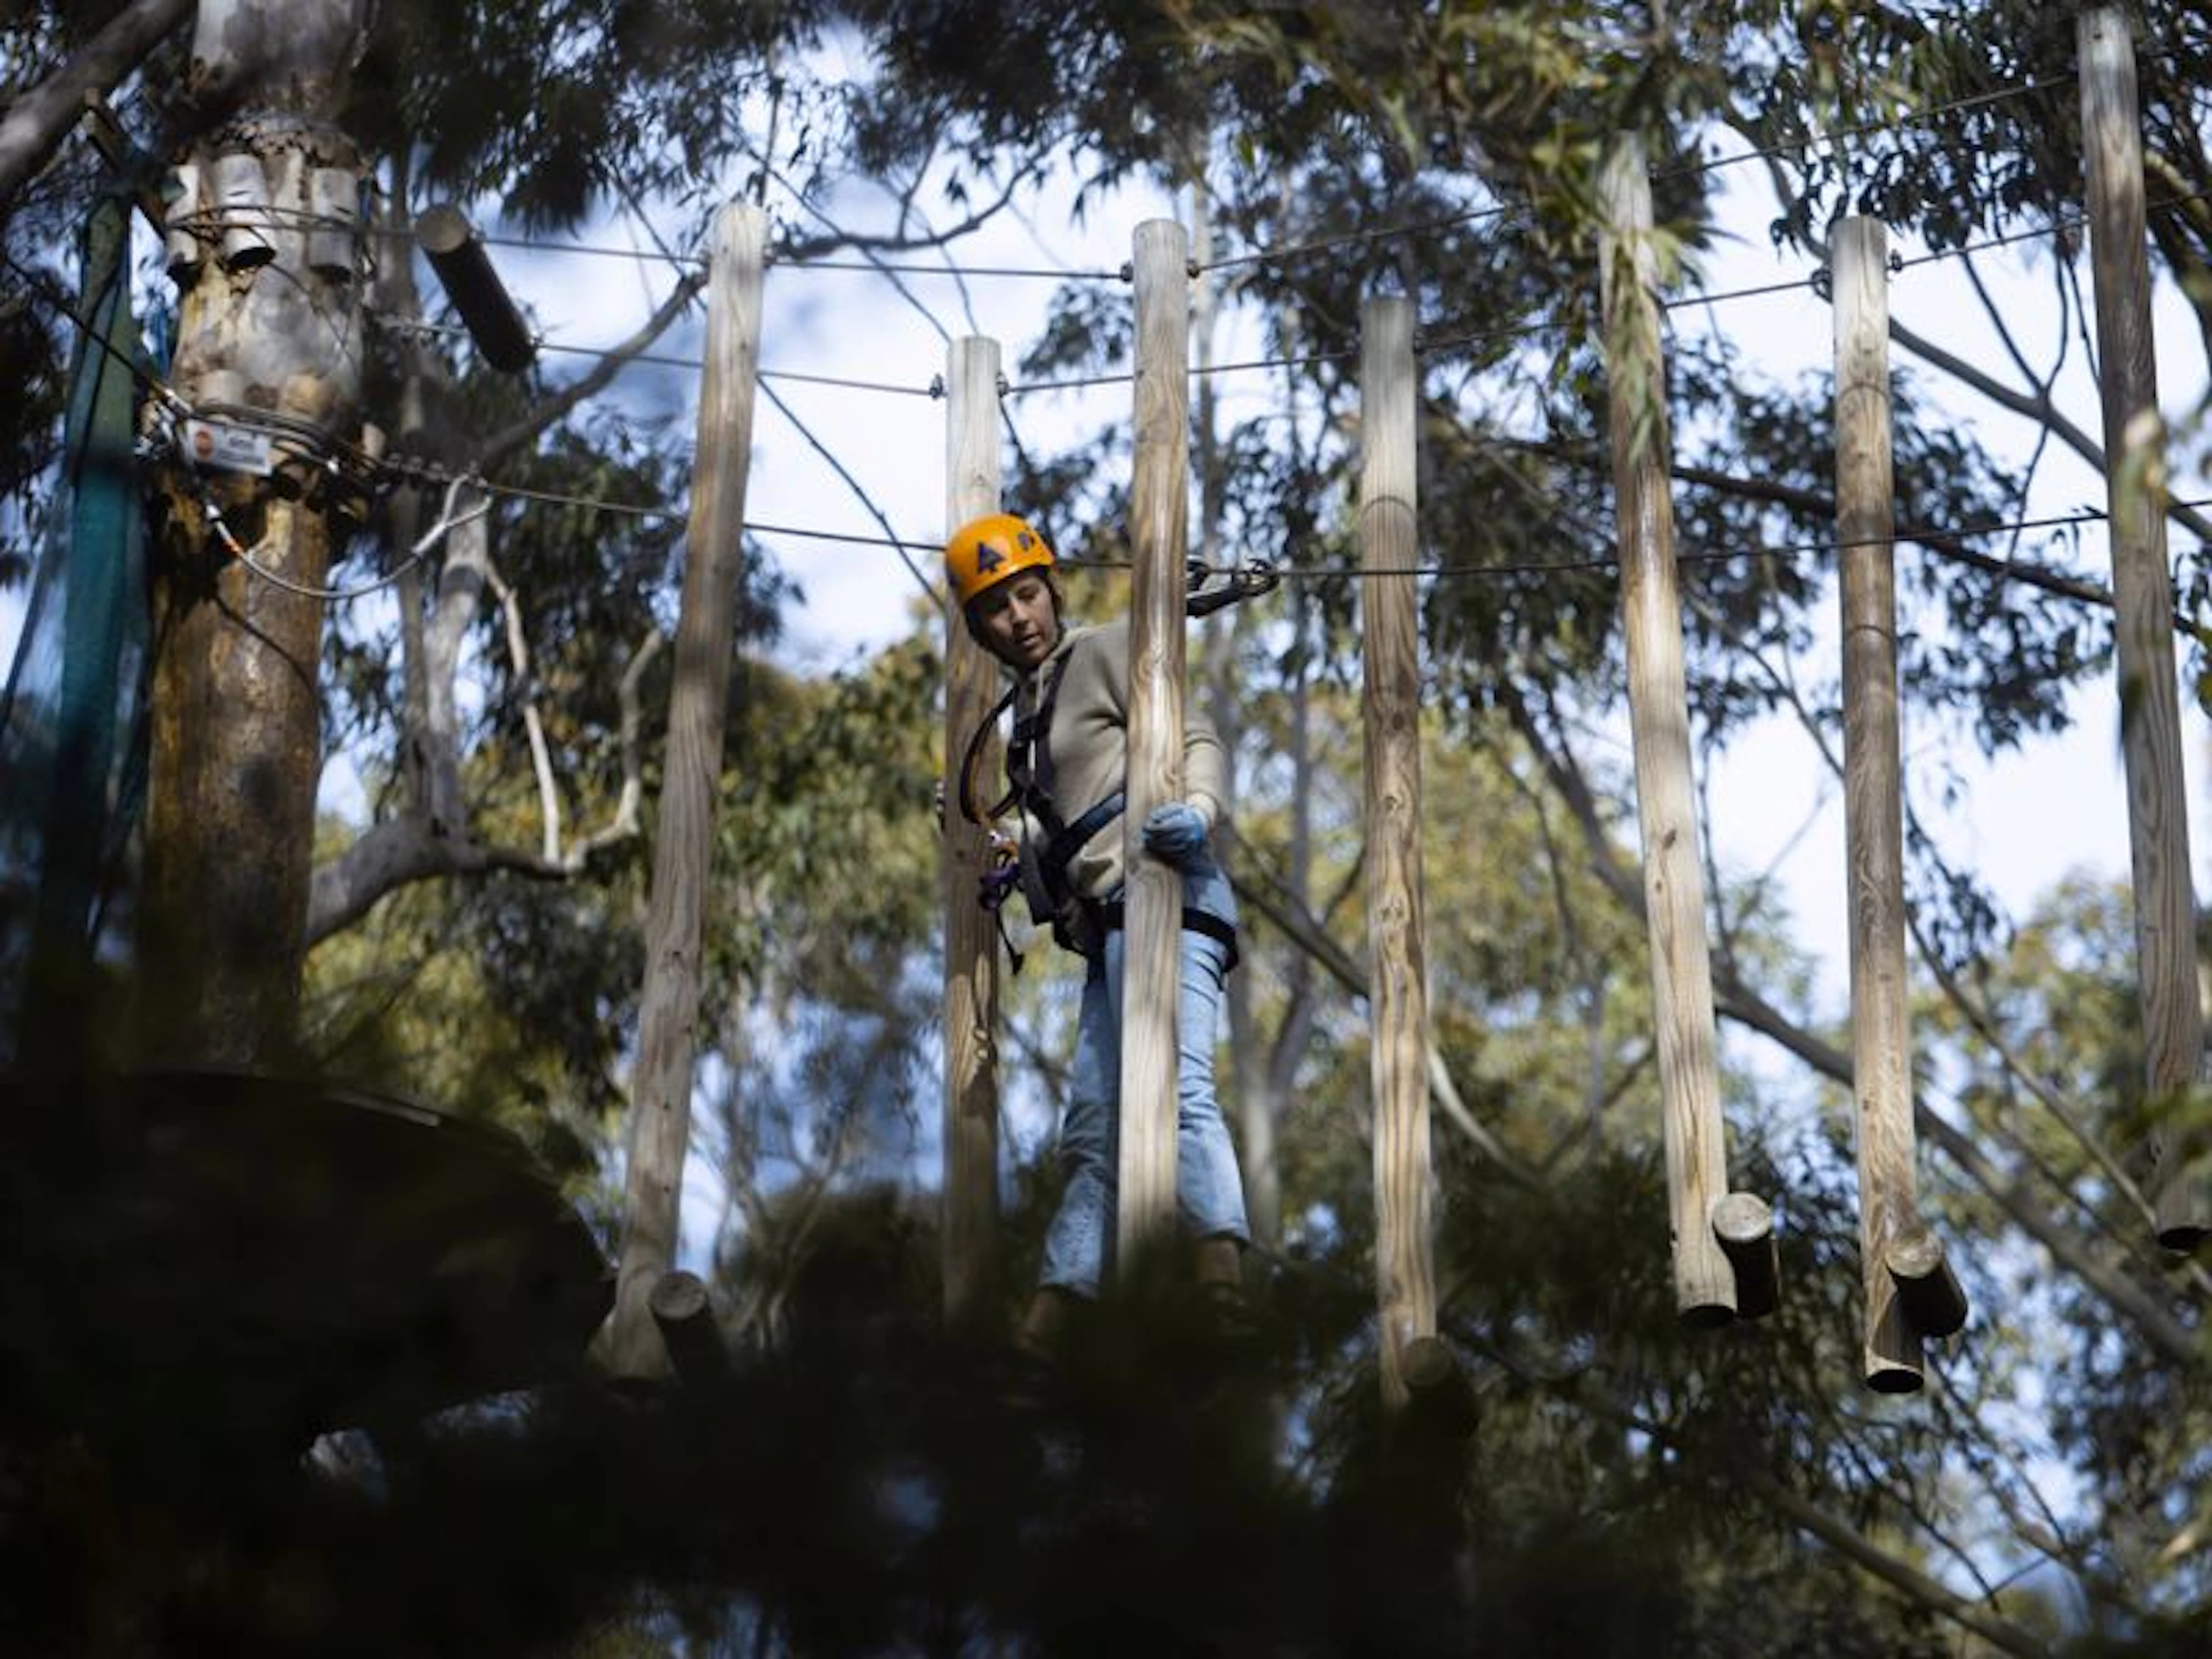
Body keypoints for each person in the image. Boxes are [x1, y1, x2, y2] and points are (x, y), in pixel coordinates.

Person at [945, 511, 1251, 1365]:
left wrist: (1198, 810)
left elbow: (1197, 741)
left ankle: (1223, 1283)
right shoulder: (1023, 723)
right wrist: (998, 845)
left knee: (1181, 1092)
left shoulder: (1110, 648)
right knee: (1091, 1134)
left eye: (1029, 594)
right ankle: (1049, 1326)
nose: (1021, 618)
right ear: (982, 630)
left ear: (1053, 589)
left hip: (1170, 892)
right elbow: (1057, 838)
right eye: (998, 610)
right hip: (1107, 925)